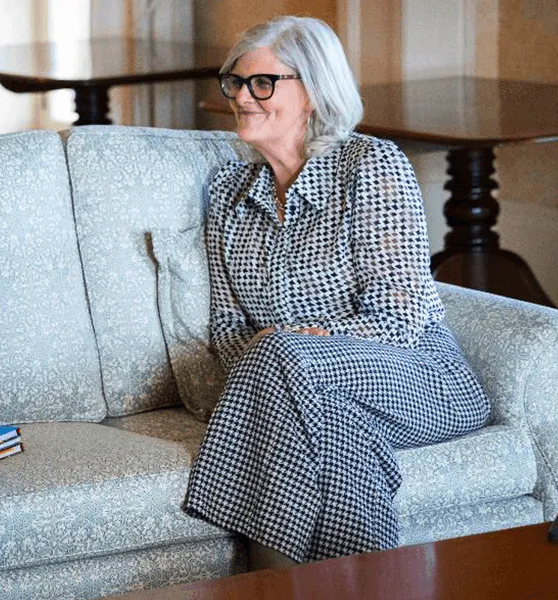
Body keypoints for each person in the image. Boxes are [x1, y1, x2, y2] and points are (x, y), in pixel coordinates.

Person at [182, 17, 490, 570]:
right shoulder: (228, 193)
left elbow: (398, 317)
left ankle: (264, 584)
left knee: (282, 351)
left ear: (314, 92)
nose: (242, 98)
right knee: (334, 429)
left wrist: (302, 342)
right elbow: (228, 329)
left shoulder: (370, 165)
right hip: (305, 388)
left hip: (421, 376)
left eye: (262, 83)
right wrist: (290, 358)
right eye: (236, 82)